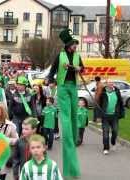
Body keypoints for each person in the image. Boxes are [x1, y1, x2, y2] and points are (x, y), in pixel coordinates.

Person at [47, 29, 83, 177]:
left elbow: (83, 69)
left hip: (73, 86)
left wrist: (77, 68)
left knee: (74, 112)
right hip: (62, 86)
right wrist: (51, 80)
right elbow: (52, 70)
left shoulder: (77, 56)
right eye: (74, 44)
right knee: (66, 114)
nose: (76, 46)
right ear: (69, 45)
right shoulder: (60, 56)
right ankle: (67, 133)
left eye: (76, 44)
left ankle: (74, 136)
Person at [99, 80, 125, 155]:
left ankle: (113, 142)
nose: (111, 85)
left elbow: (120, 103)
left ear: (113, 85)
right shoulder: (103, 93)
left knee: (115, 131)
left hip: (114, 116)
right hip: (105, 117)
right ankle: (106, 148)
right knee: (105, 133)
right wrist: (99, 115)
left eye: (112, 83)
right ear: (106, 85)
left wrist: (122, 113)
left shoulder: (117, 92)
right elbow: (99, 104)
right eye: (109, 83)